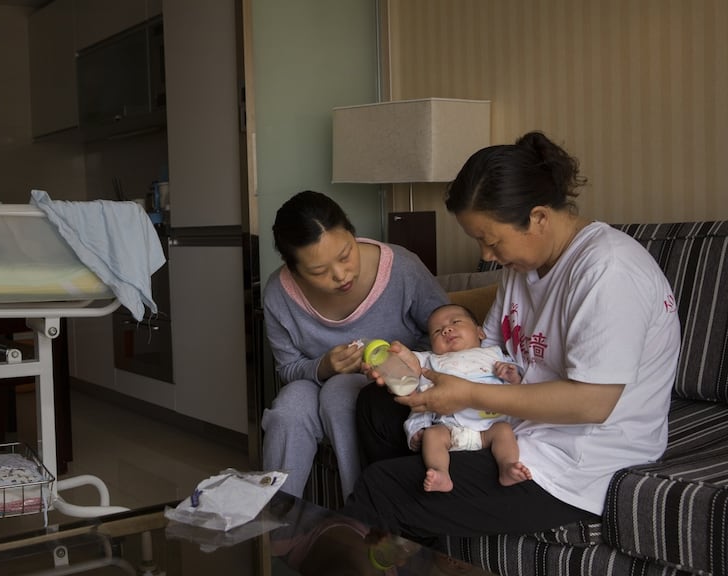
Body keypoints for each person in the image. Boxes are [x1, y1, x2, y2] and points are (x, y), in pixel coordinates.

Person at [343, 131, 681, 542]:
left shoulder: (607, 272)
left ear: (538, 217)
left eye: (490, 240)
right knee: (376, 406)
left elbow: (593, 404)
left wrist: (467, 395)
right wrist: (415, 370)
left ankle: (407, 519)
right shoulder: (522, 267)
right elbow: (484, 350)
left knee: (385, 488)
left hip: (580, 458)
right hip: (516, 422)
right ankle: (424, 530)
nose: (485, 255)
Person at [262, 190, 448, 500]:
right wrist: (323, 366)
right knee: (288, 409)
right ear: (292, 270)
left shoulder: (402, 268)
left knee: (340, 393)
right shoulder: (278, 294)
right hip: (315, 382)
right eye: (319, 272)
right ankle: (276, 522)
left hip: (394, 384)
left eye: (346, 254)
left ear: (353, 232)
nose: (340, 275)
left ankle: (363, 509)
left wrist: (397, 361)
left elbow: (448, 331)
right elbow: (288, 368)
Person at [388, 303, 530, 493]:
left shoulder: (494, 354)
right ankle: (440, 473)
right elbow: (419, 400)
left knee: (504, 431)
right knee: (432, 435)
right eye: (437, 331)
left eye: (455, 322)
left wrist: (512, 376)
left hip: (490, 427)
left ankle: (507, 466)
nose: (446, 329)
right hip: (451, 428)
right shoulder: (428, 361)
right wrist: (415, 431)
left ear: (480, 332)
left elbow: (520, 388)